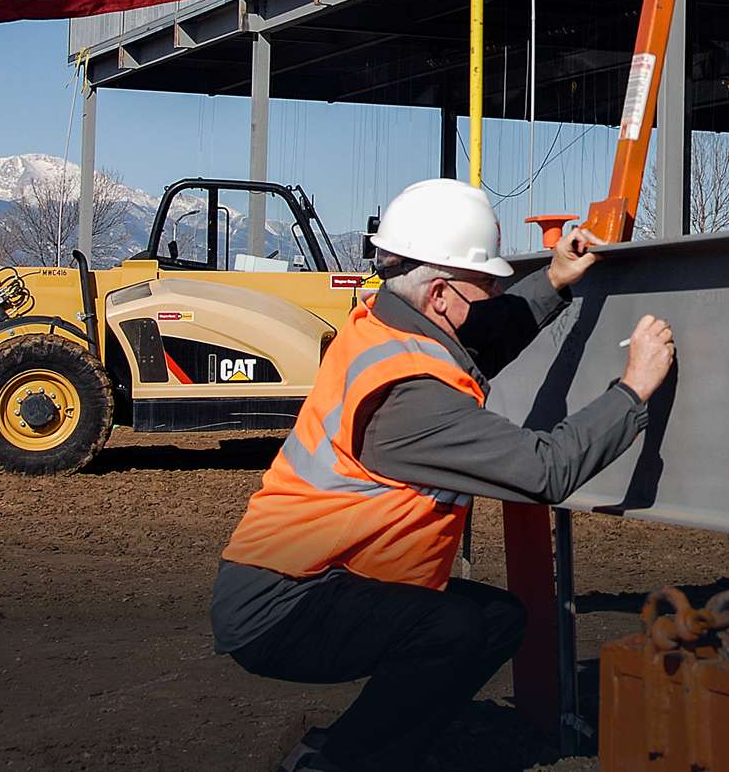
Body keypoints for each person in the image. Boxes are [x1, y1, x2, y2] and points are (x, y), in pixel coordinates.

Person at [209, 178, 676, 772]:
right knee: (451, 630)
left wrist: (555, 278)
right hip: (281, 605)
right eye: (486, 284)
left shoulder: (387, 326)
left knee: (495, 620)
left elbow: (482, 341)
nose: (496, 293)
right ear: (438, 294)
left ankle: (354, 748)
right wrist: (633, 389)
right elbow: (546, 469)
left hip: (312, 577)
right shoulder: (409, 400)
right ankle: (342, 763)